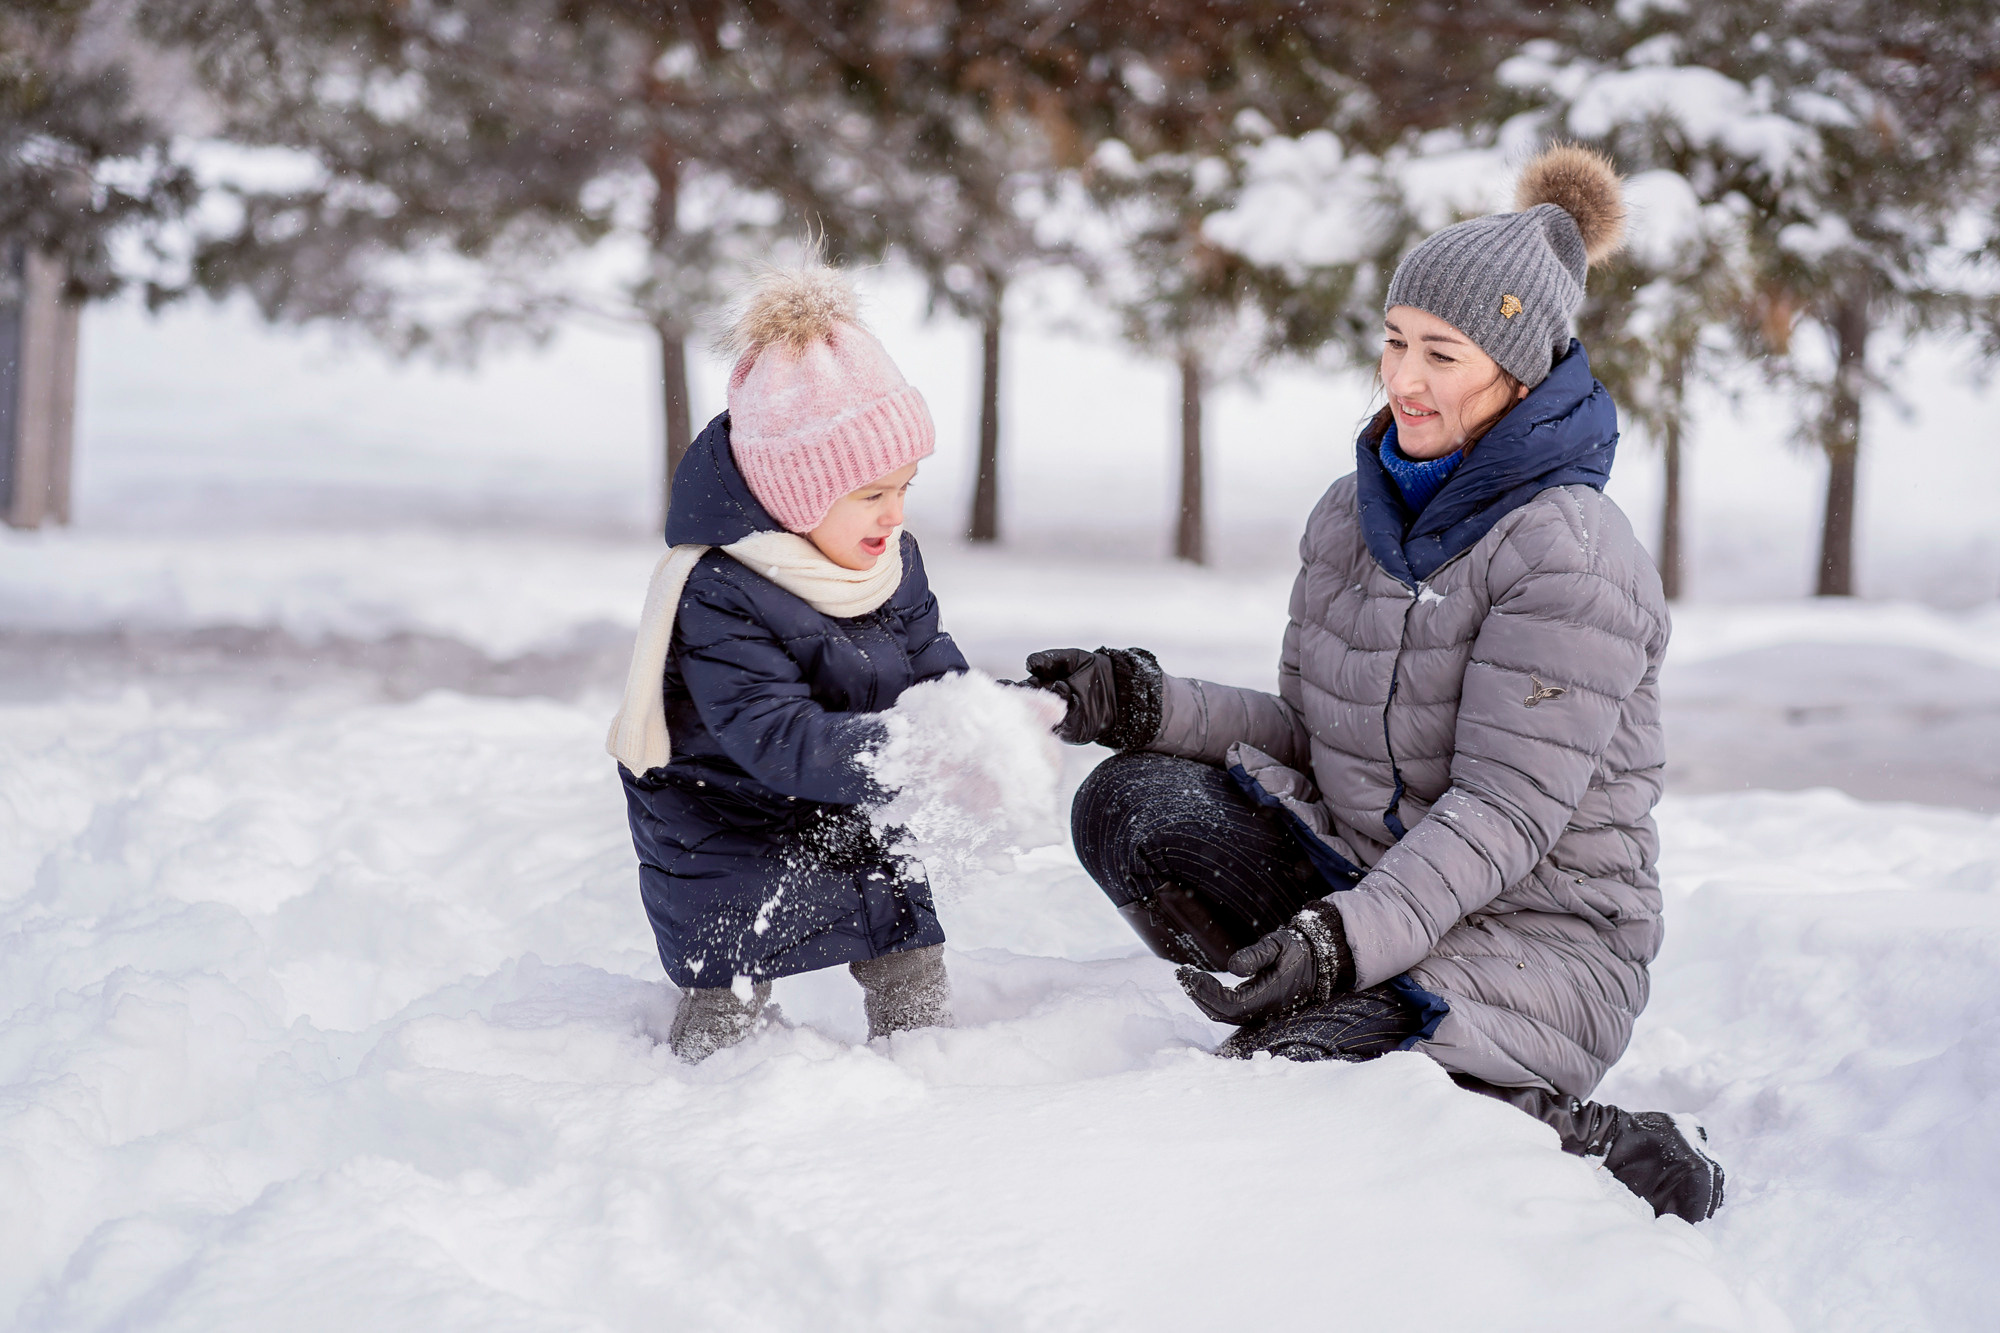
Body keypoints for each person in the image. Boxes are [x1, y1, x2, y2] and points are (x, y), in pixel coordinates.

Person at [1022, 145, 1725, 1223]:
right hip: (1368, 880)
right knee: (1129, 804)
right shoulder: (1352, 515)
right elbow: (1308, 731)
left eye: (1441, 354)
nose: (1402, 378)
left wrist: (1335, 945)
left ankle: (1592, 1141)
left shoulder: (1568, 556)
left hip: (1533, 941)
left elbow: (1501, 816)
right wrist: (1142, 703)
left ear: (1518, 374)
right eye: (1394, 341)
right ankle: (1296, 1007)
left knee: (1307, 1089)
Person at [608, 264, 966, 1062]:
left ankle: (928, 1051)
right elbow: (771, 732)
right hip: (720, 804)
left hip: (842, 781)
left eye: (906, 485)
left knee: (899, 906)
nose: (896, 512)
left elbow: (926, 655)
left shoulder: (887, 561)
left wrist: (982, 717)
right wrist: (906, 753)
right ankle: (713, 1075)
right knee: (729, 955)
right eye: (872, 492)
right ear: (797, 494)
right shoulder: (721, 588)